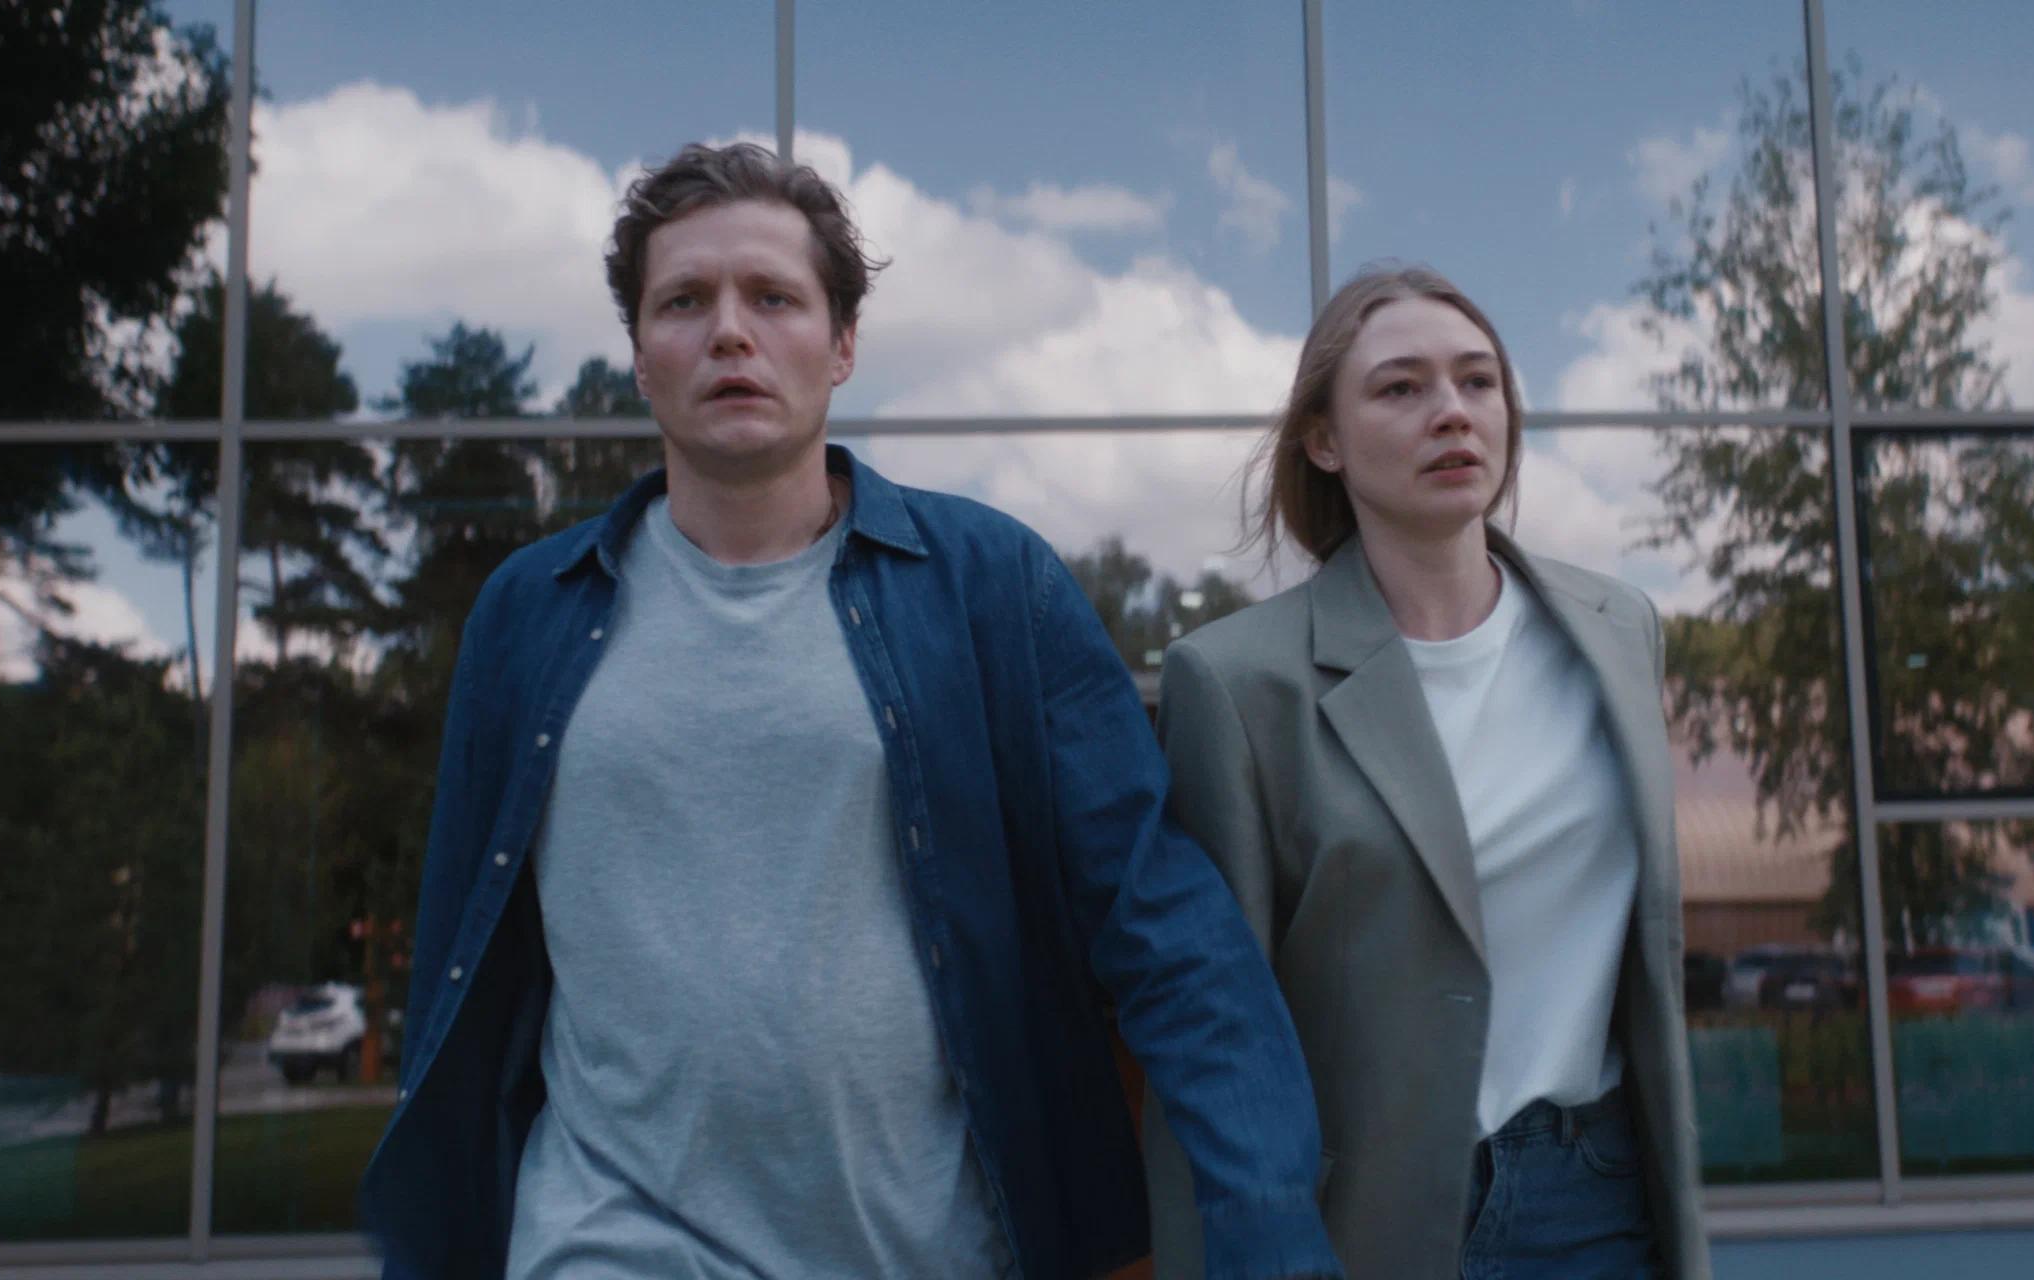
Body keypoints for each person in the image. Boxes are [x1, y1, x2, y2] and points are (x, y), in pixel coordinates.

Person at [357, 141, 1340, 1280]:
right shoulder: (529, 613)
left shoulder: (989, 588)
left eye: (774, 298)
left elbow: (1165, 926)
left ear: (843, 347)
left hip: (935, 1244)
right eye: (685, 301)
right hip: (607, 1234)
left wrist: (1267, 1225)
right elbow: (460, 971)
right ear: (639, 358)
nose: (731, 332)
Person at [1143, 264, 1709, 1278]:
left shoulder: (1618, 629)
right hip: (1366, 1224)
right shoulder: (1234, 682)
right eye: (1401, 387)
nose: (1451, 410)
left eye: (1477, 380)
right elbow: (1212, 1030)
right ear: (1324, 440)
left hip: (1594, 1198)